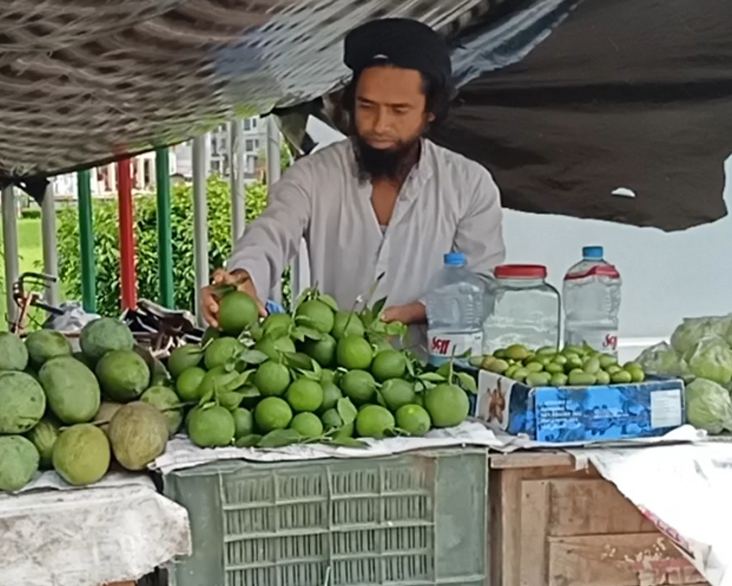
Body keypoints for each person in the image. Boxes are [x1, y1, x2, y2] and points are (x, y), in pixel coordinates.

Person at [202, 17, 505, 352]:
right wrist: (242, 278)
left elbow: (482, 285)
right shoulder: (313, 176)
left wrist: (415, 312)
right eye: (367, 106)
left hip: (438, 372)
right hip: (334, 377)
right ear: (349, 101)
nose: (380, 125)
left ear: (429, 111)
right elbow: (270, 236)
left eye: (399, 110)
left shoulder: (468, 184)